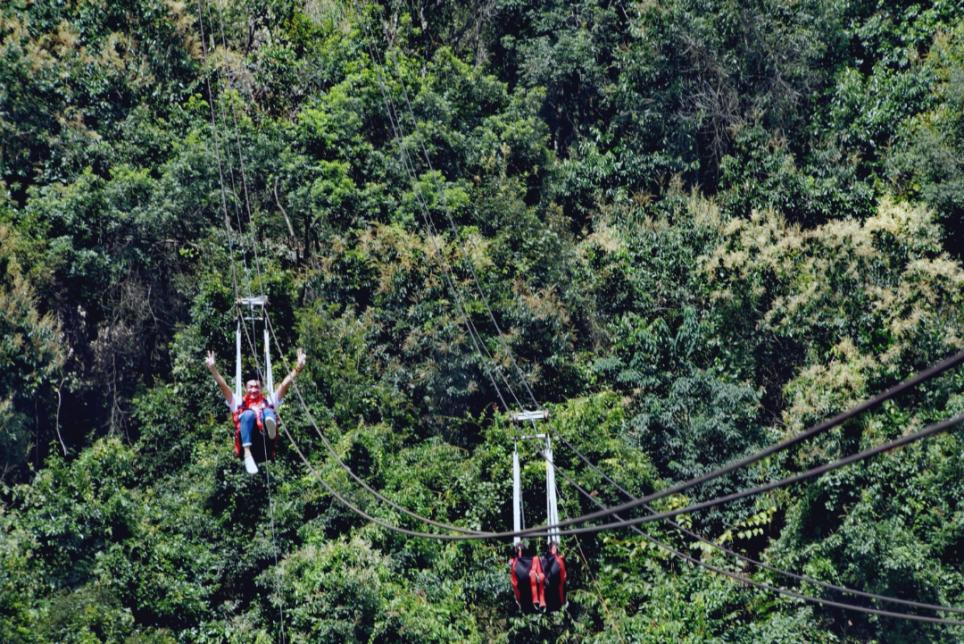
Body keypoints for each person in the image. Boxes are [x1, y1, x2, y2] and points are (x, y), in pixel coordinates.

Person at [205, 348, 306, 474]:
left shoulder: (268, 400)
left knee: (268, 411)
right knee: (247, 414)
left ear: (262, 388)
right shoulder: (238, 402)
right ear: (245, 388)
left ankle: (271, 428)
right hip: (248, 441)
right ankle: (248, 454)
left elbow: (284, 386)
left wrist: (297, 369)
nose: (254, 390)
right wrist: (213, 370)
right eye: (251, 387)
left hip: (265, 441)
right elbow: (223, 387)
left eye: (257, 387)